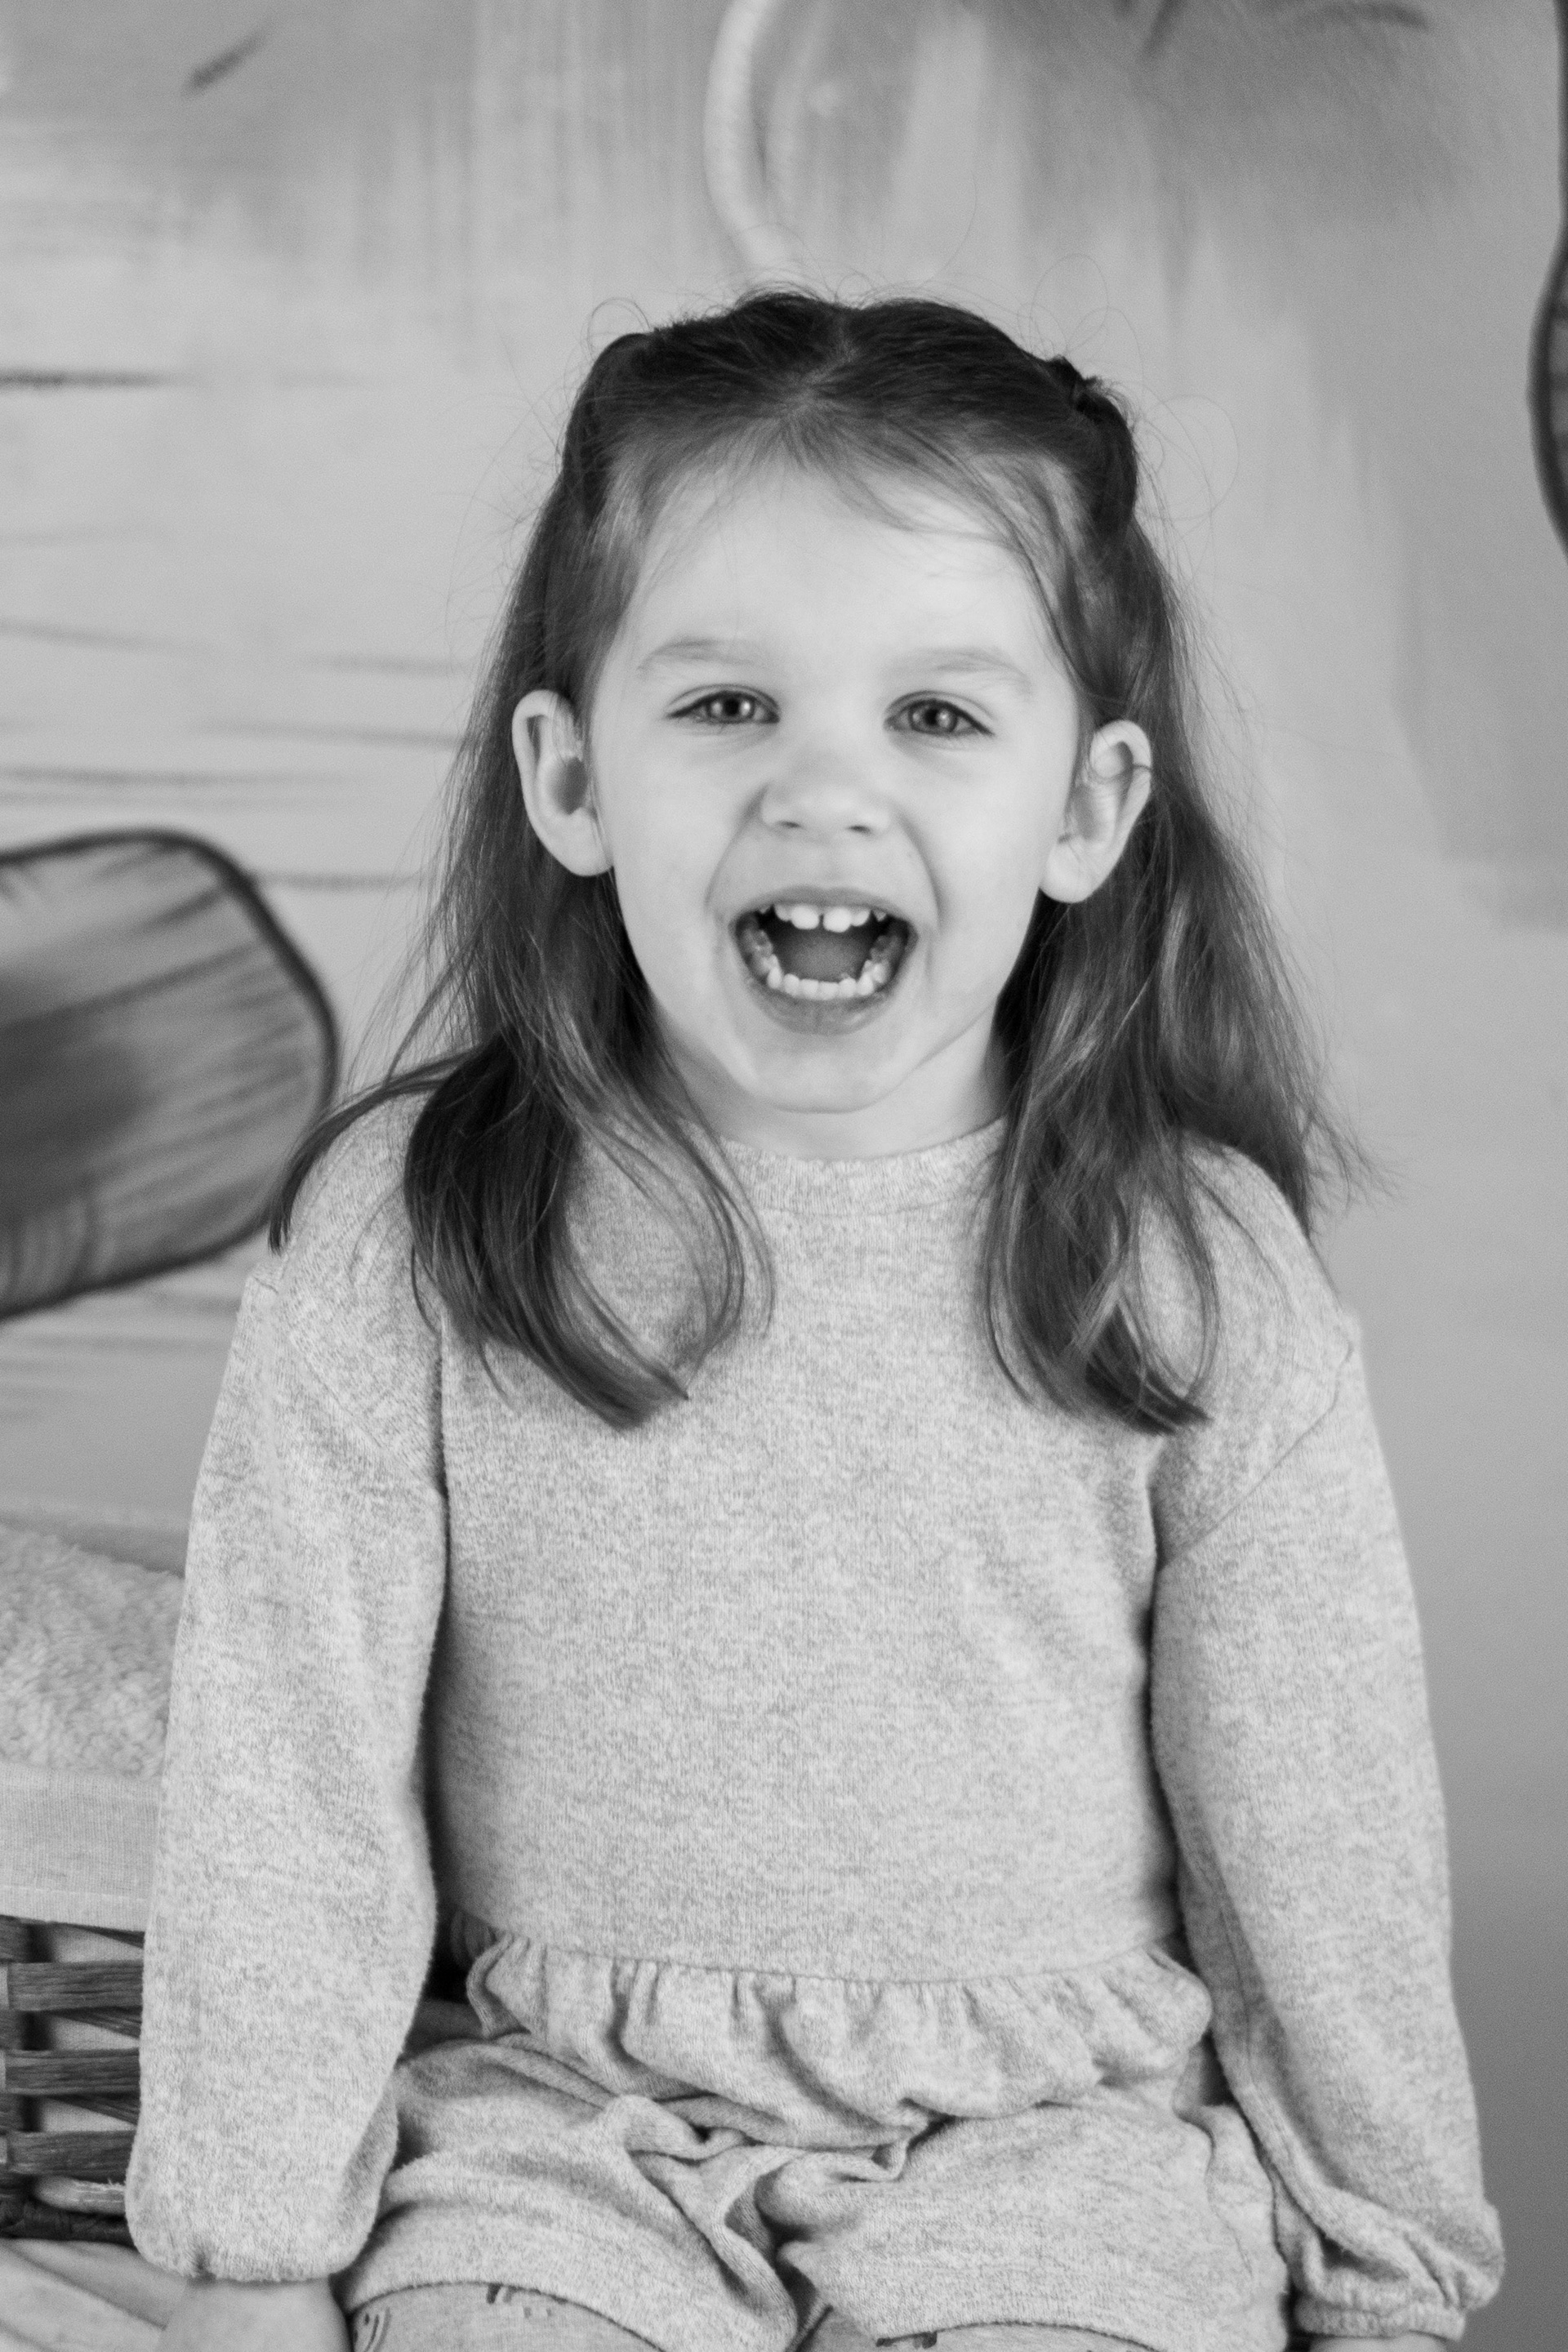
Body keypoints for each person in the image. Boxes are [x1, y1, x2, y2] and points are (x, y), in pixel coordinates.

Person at [127, 292, 1503, 2352]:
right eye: (727, 707)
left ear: (1087, 808)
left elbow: (1321, 1834)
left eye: (935, 717)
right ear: (570, 777)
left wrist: (1387, 2270)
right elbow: (288, 1786)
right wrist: (245, 2271)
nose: (824, 795)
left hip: (1065, 2147)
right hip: (562, 2139)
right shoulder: (413, 1240)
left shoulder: (1193, 1271)